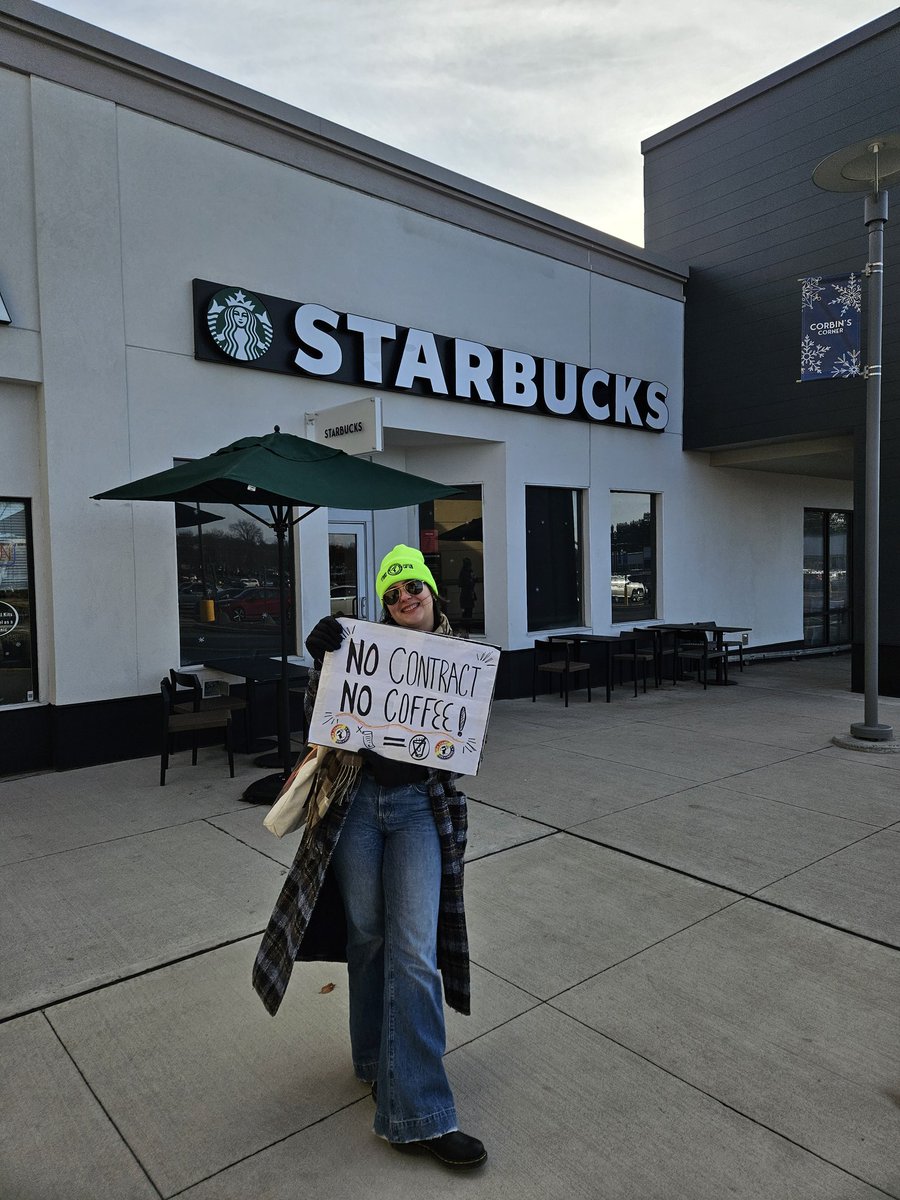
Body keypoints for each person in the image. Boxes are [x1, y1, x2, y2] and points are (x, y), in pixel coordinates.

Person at [252, 545, 486, 1170]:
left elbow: (460, 747)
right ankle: (374, 1062)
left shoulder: (460, 661)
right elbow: (320, 723)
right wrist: (321, 661)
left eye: (413, 585)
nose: (404, 597)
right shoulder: (356, 650)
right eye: (391, 592)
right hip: (354, 811)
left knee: (413, 951)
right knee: (368, 939)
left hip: (416, 813)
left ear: (433, 591)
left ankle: (422, 1111)